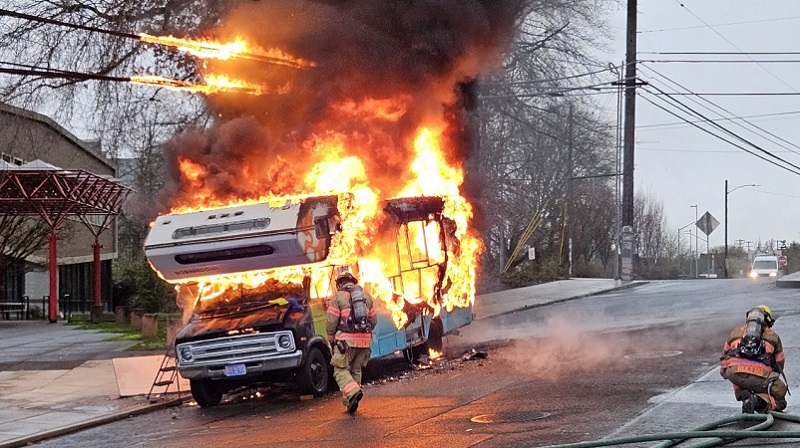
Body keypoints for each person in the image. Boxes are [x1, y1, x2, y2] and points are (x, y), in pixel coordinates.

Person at [326, 270, 378, 414]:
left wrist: (331, 338)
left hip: (346, 342)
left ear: (339, 284)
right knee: (355, 370)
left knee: (340, 370)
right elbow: (373, 321)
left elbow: (331, 322)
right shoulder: (366, 297)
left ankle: (354, 392)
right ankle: (351, 401)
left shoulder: (337, 298)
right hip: (365, 342)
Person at [720, 305, 787, 413]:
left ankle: (745, 397)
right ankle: (757, 401)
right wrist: (769, 379)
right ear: (768, 320)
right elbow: (779, 363)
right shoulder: (773, 336)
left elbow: (724, 355)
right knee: (780, 400)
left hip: (734, 374)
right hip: (760, 375)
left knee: (738, 376)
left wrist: (725, 373)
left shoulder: (736, 331)